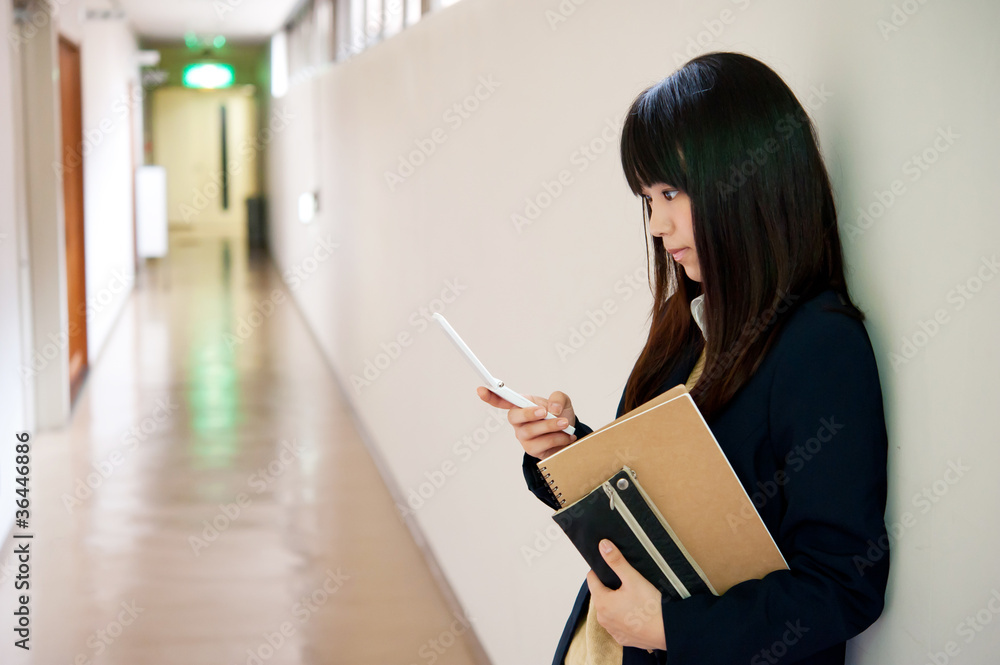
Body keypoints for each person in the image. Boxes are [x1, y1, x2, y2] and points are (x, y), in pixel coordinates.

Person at [476, 52, 890, 664]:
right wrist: (564, 451)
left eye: (671, 192)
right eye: (647, 199)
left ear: (749, 179)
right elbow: (652, 500)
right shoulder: (689, 324)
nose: (656, 225)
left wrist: (672, 627)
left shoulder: (820, 345)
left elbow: (843, 586)